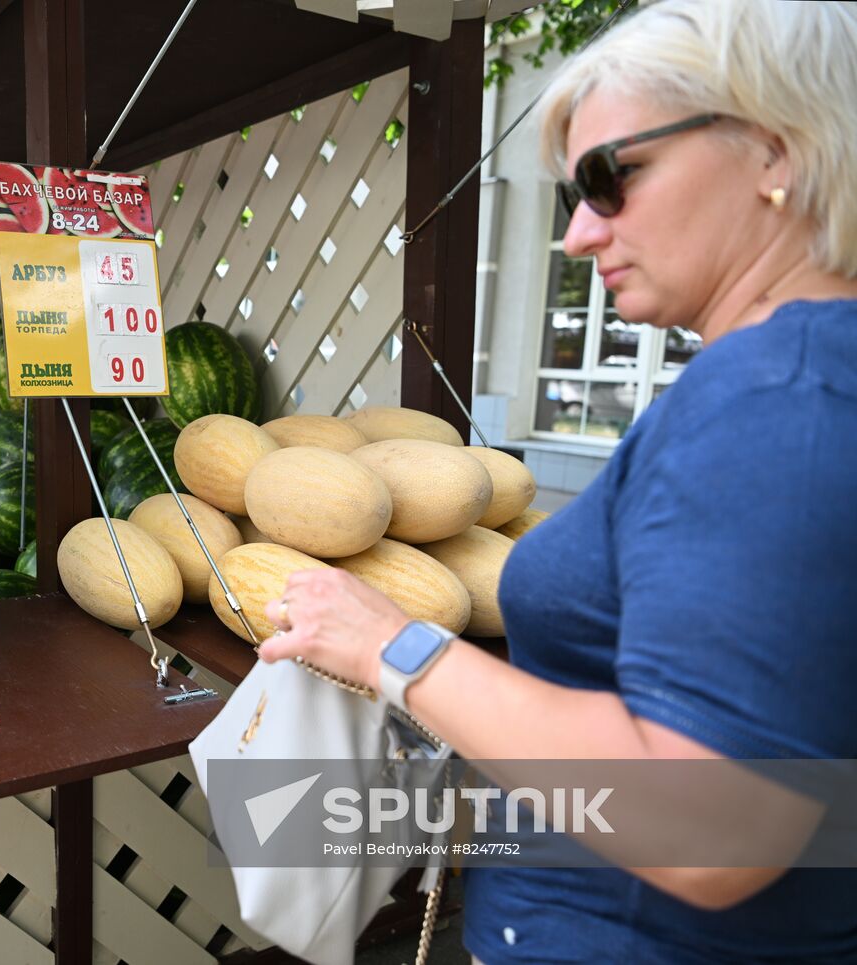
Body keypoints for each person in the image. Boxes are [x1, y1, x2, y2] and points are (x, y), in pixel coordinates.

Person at [256, 1, 857, 961]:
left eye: (609, 177)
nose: (577, 233)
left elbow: (712, 826)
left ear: (776, 150)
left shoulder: (771, 396)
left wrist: (394, 649)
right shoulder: (814, 378)